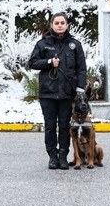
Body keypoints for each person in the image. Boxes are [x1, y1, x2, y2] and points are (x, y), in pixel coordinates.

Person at [29, 12, 87, 170]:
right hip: (48, 92)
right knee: (49, 126)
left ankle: (63, 155)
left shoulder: (74, 45)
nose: (60, 25)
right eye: (57, 23)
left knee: (64, 125)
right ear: (51, 25)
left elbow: (81, 68)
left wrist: (80, 88)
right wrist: (49, 62)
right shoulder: (43, 44)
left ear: (67, 25)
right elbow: (32, 62)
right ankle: (52, 156)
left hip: (67, 93)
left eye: (63, 22)